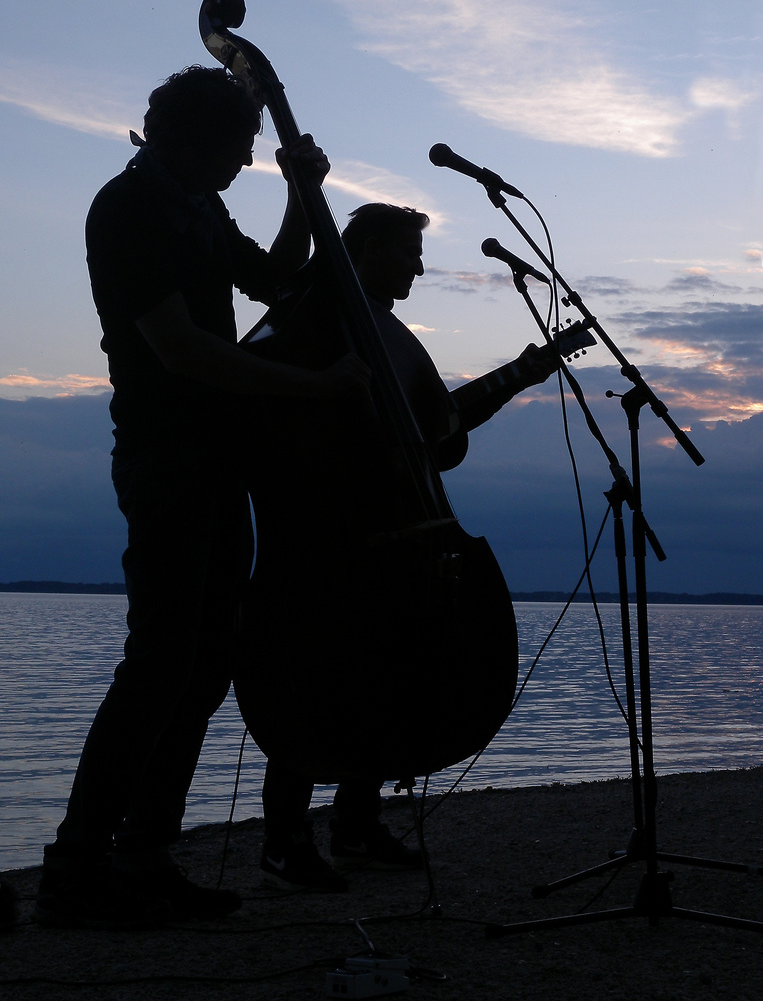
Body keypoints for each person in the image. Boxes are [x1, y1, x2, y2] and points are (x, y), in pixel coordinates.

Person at [33, 65, 369, 929]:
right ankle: (78, 864)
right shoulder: (128, 206)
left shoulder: (201, 205)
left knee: (204, 662)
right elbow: (181, 350)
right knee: (159, 662)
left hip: (220, 457)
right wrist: (312, 391)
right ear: (196, 140)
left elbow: (277, 280)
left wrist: (303, 195)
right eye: (241, 147)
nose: (248, 162)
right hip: (165, 457)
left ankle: (143, 855)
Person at [254, 203, 557, 893]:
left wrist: (519, 375)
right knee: (318, 677)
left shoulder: (391, 334)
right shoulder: (319, 314)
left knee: (384, 675)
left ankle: (355, 827)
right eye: (408, 252)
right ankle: (283, 839)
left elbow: (436, 434)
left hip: (392, 539)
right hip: (331, 540)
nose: (420, 266)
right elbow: (269, 387)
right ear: (368, 250)